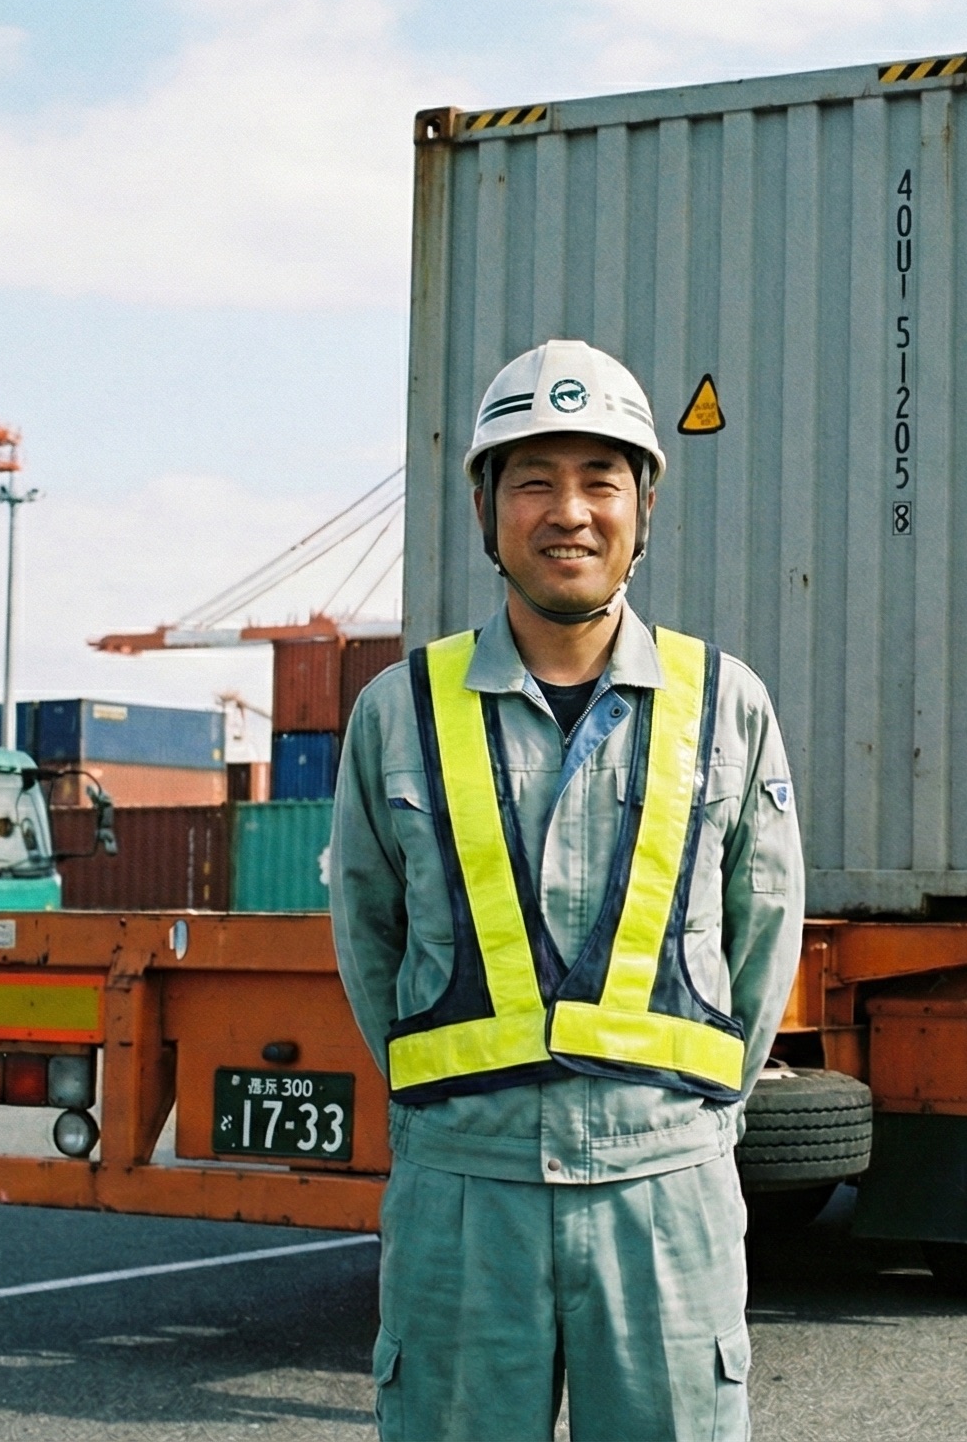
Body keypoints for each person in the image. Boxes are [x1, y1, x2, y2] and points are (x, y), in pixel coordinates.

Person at [332, 338, 805, 1441]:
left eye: (601, 480)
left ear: (643, 510)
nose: (569, 511)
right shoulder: (396, 712)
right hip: (462, 1191)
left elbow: (763, 933)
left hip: (665, 1187)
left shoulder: (724, 703)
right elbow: (366, 934)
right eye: (533, 480)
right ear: (487, 508)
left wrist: (684, 1116)